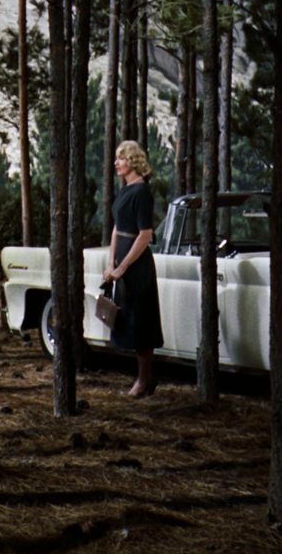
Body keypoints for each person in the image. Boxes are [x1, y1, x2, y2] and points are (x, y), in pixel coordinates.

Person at [103, 140, 164, 397]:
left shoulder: (141, 192)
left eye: (121, 158)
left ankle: (143, 380)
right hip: (124, 260)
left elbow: (145, 235)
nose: (116, 162)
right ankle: (144, 379)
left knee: (141, 321)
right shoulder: (125, 190)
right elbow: (118, 227)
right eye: (116, 158)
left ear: (133, 161)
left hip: (138, 266)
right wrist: (111, 262)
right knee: (129, 318)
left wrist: (124, 266)